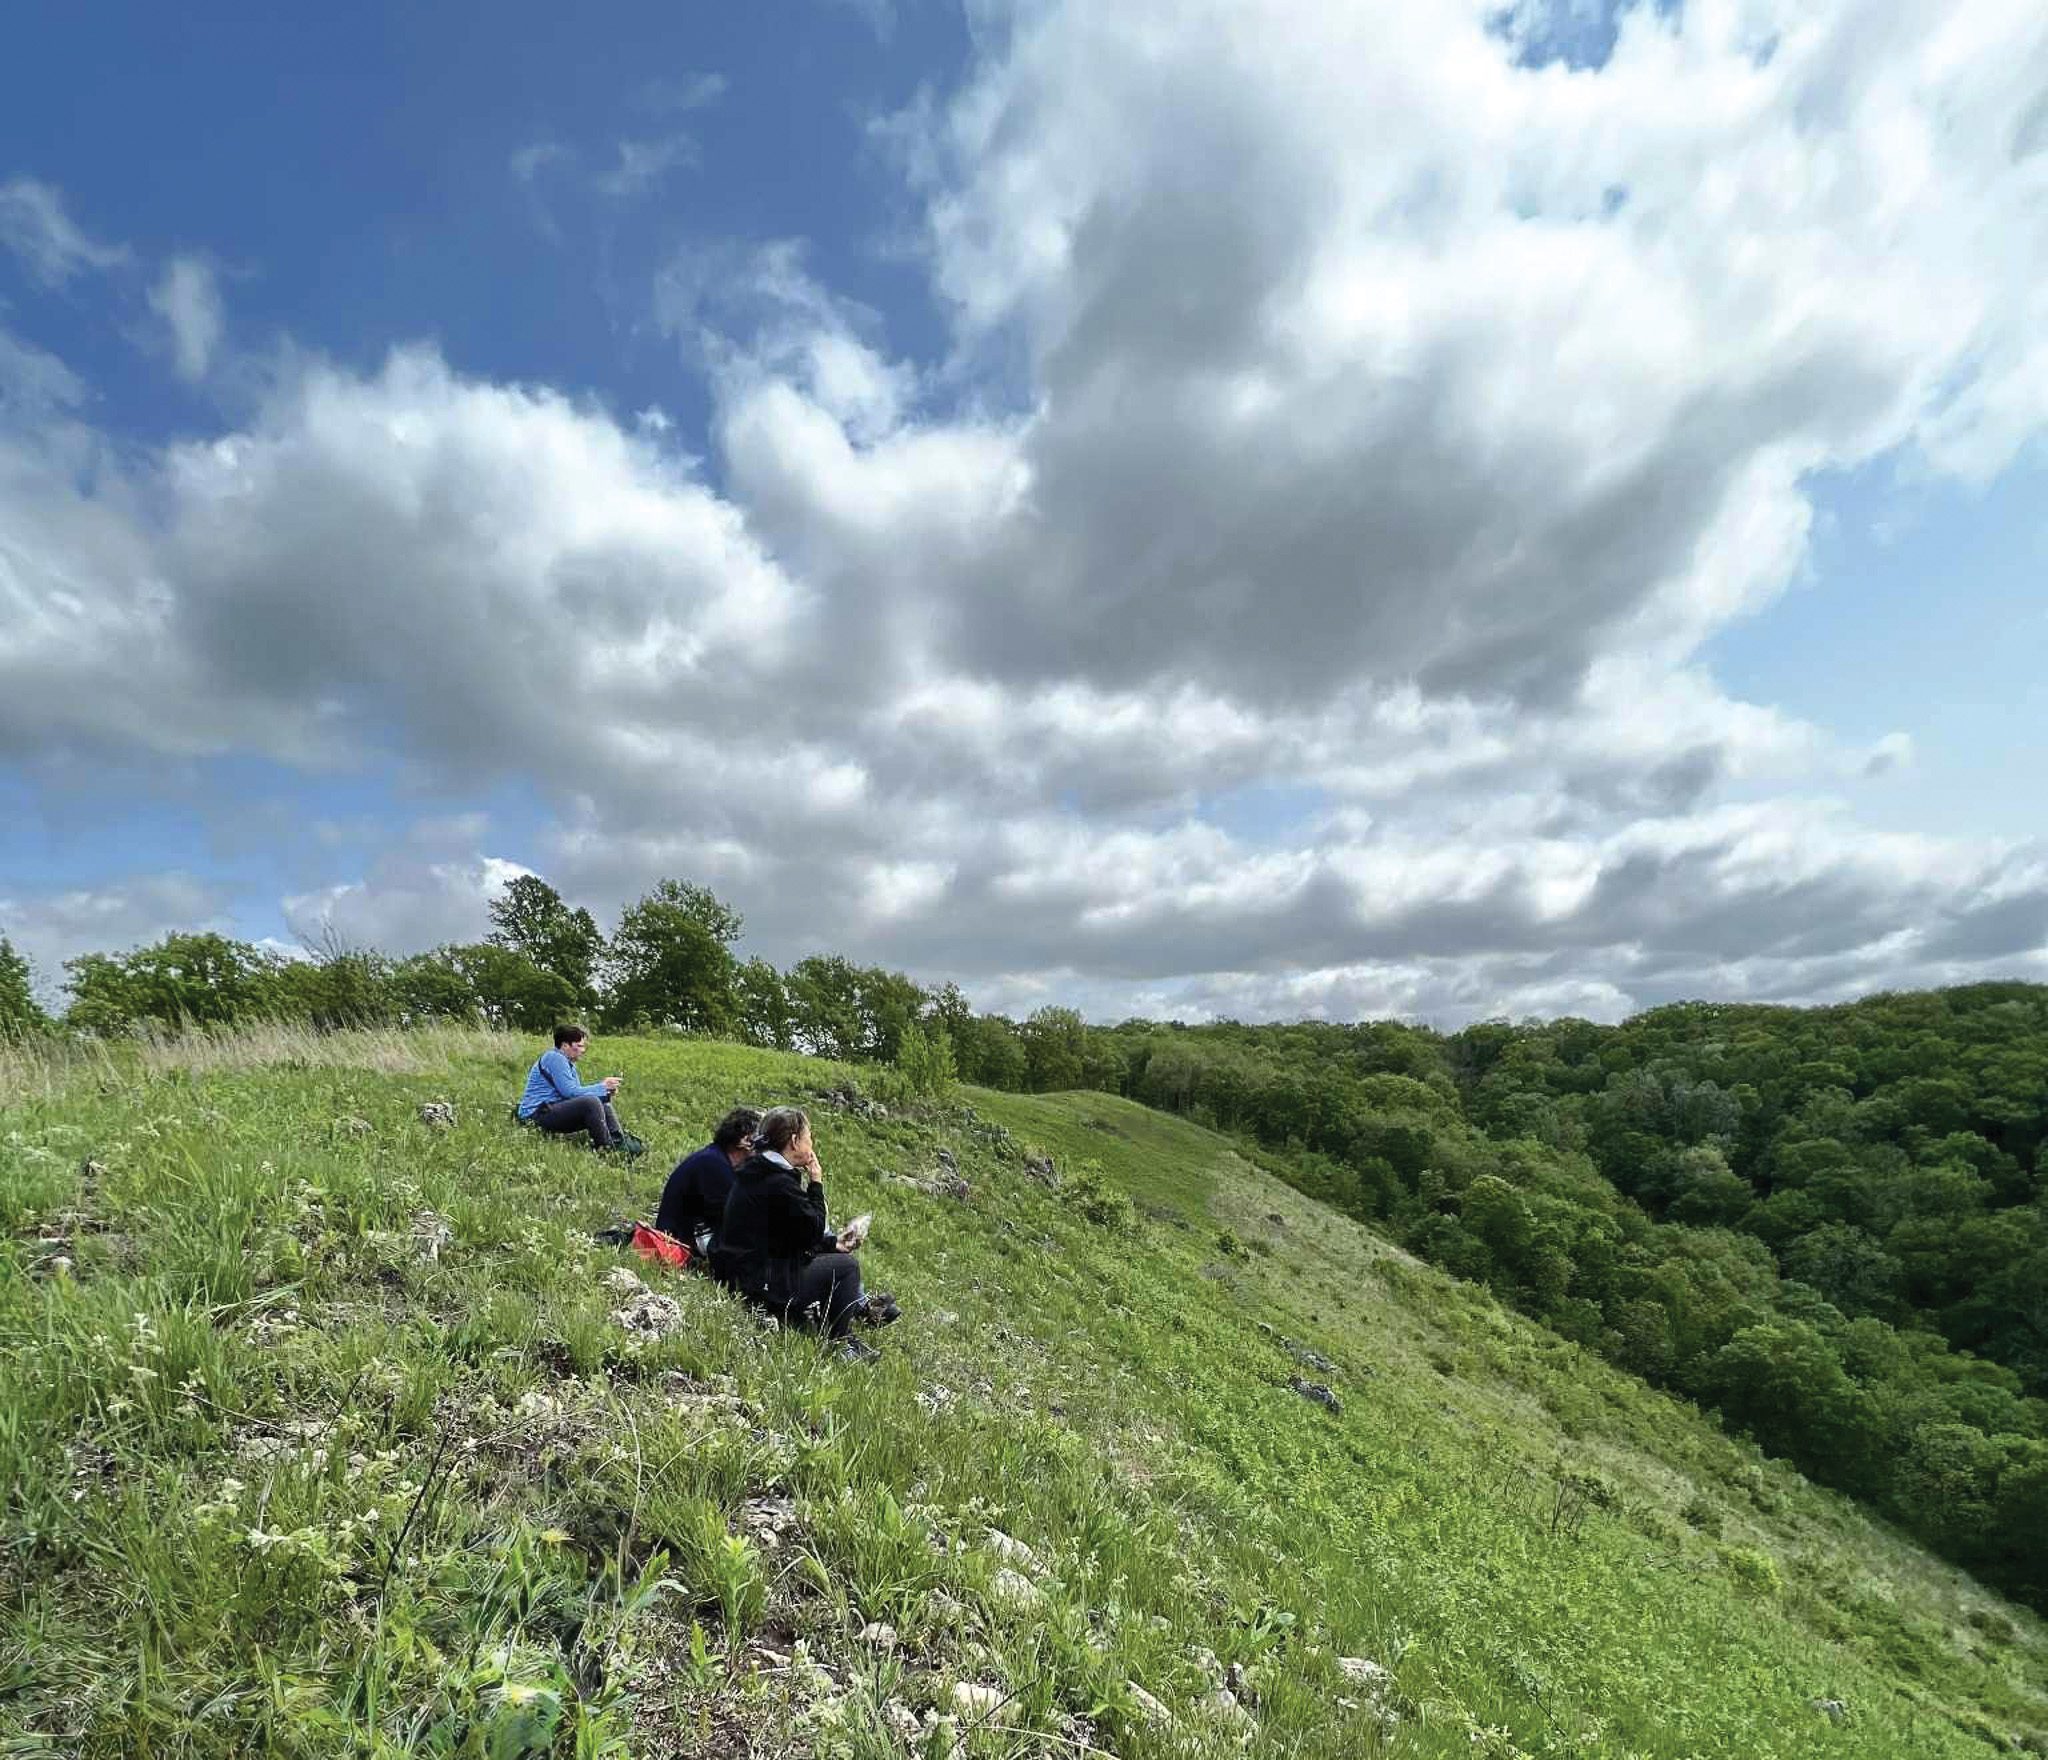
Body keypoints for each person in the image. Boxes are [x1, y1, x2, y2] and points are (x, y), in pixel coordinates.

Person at [712, 1106, 898, 1339]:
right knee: (847, 1267)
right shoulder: (778, 1182)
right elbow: (814, 1227)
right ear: (794, 1141)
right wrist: (816, 1182)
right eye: (809, 1138)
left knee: (833, 1257)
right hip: (758, 1284)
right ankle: (841, 1339)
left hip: (738, 1272)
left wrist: (831, 1245)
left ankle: (854, 1312)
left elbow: (790, 1237)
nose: (811, 1145)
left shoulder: (756, 1170)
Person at [658, 1106, 762, 1257]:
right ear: (745, 1140)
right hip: (678, 1244)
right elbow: (734, 1216)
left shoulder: (715, 1158)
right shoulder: (713, 1165)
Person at [517, 1024, 629, 1150]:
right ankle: (606, 1149)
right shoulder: (555, 1058)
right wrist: (602, 1087)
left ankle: (619, 1142)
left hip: (550, 1109)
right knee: (591, 1102)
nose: (583, 1050)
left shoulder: (568, 1063)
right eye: (579, 1046)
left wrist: (605, 1092)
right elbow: (569, 1092)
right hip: (536, 1114)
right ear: (565, 1045)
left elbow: (576, 1094)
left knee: (601, 1103)